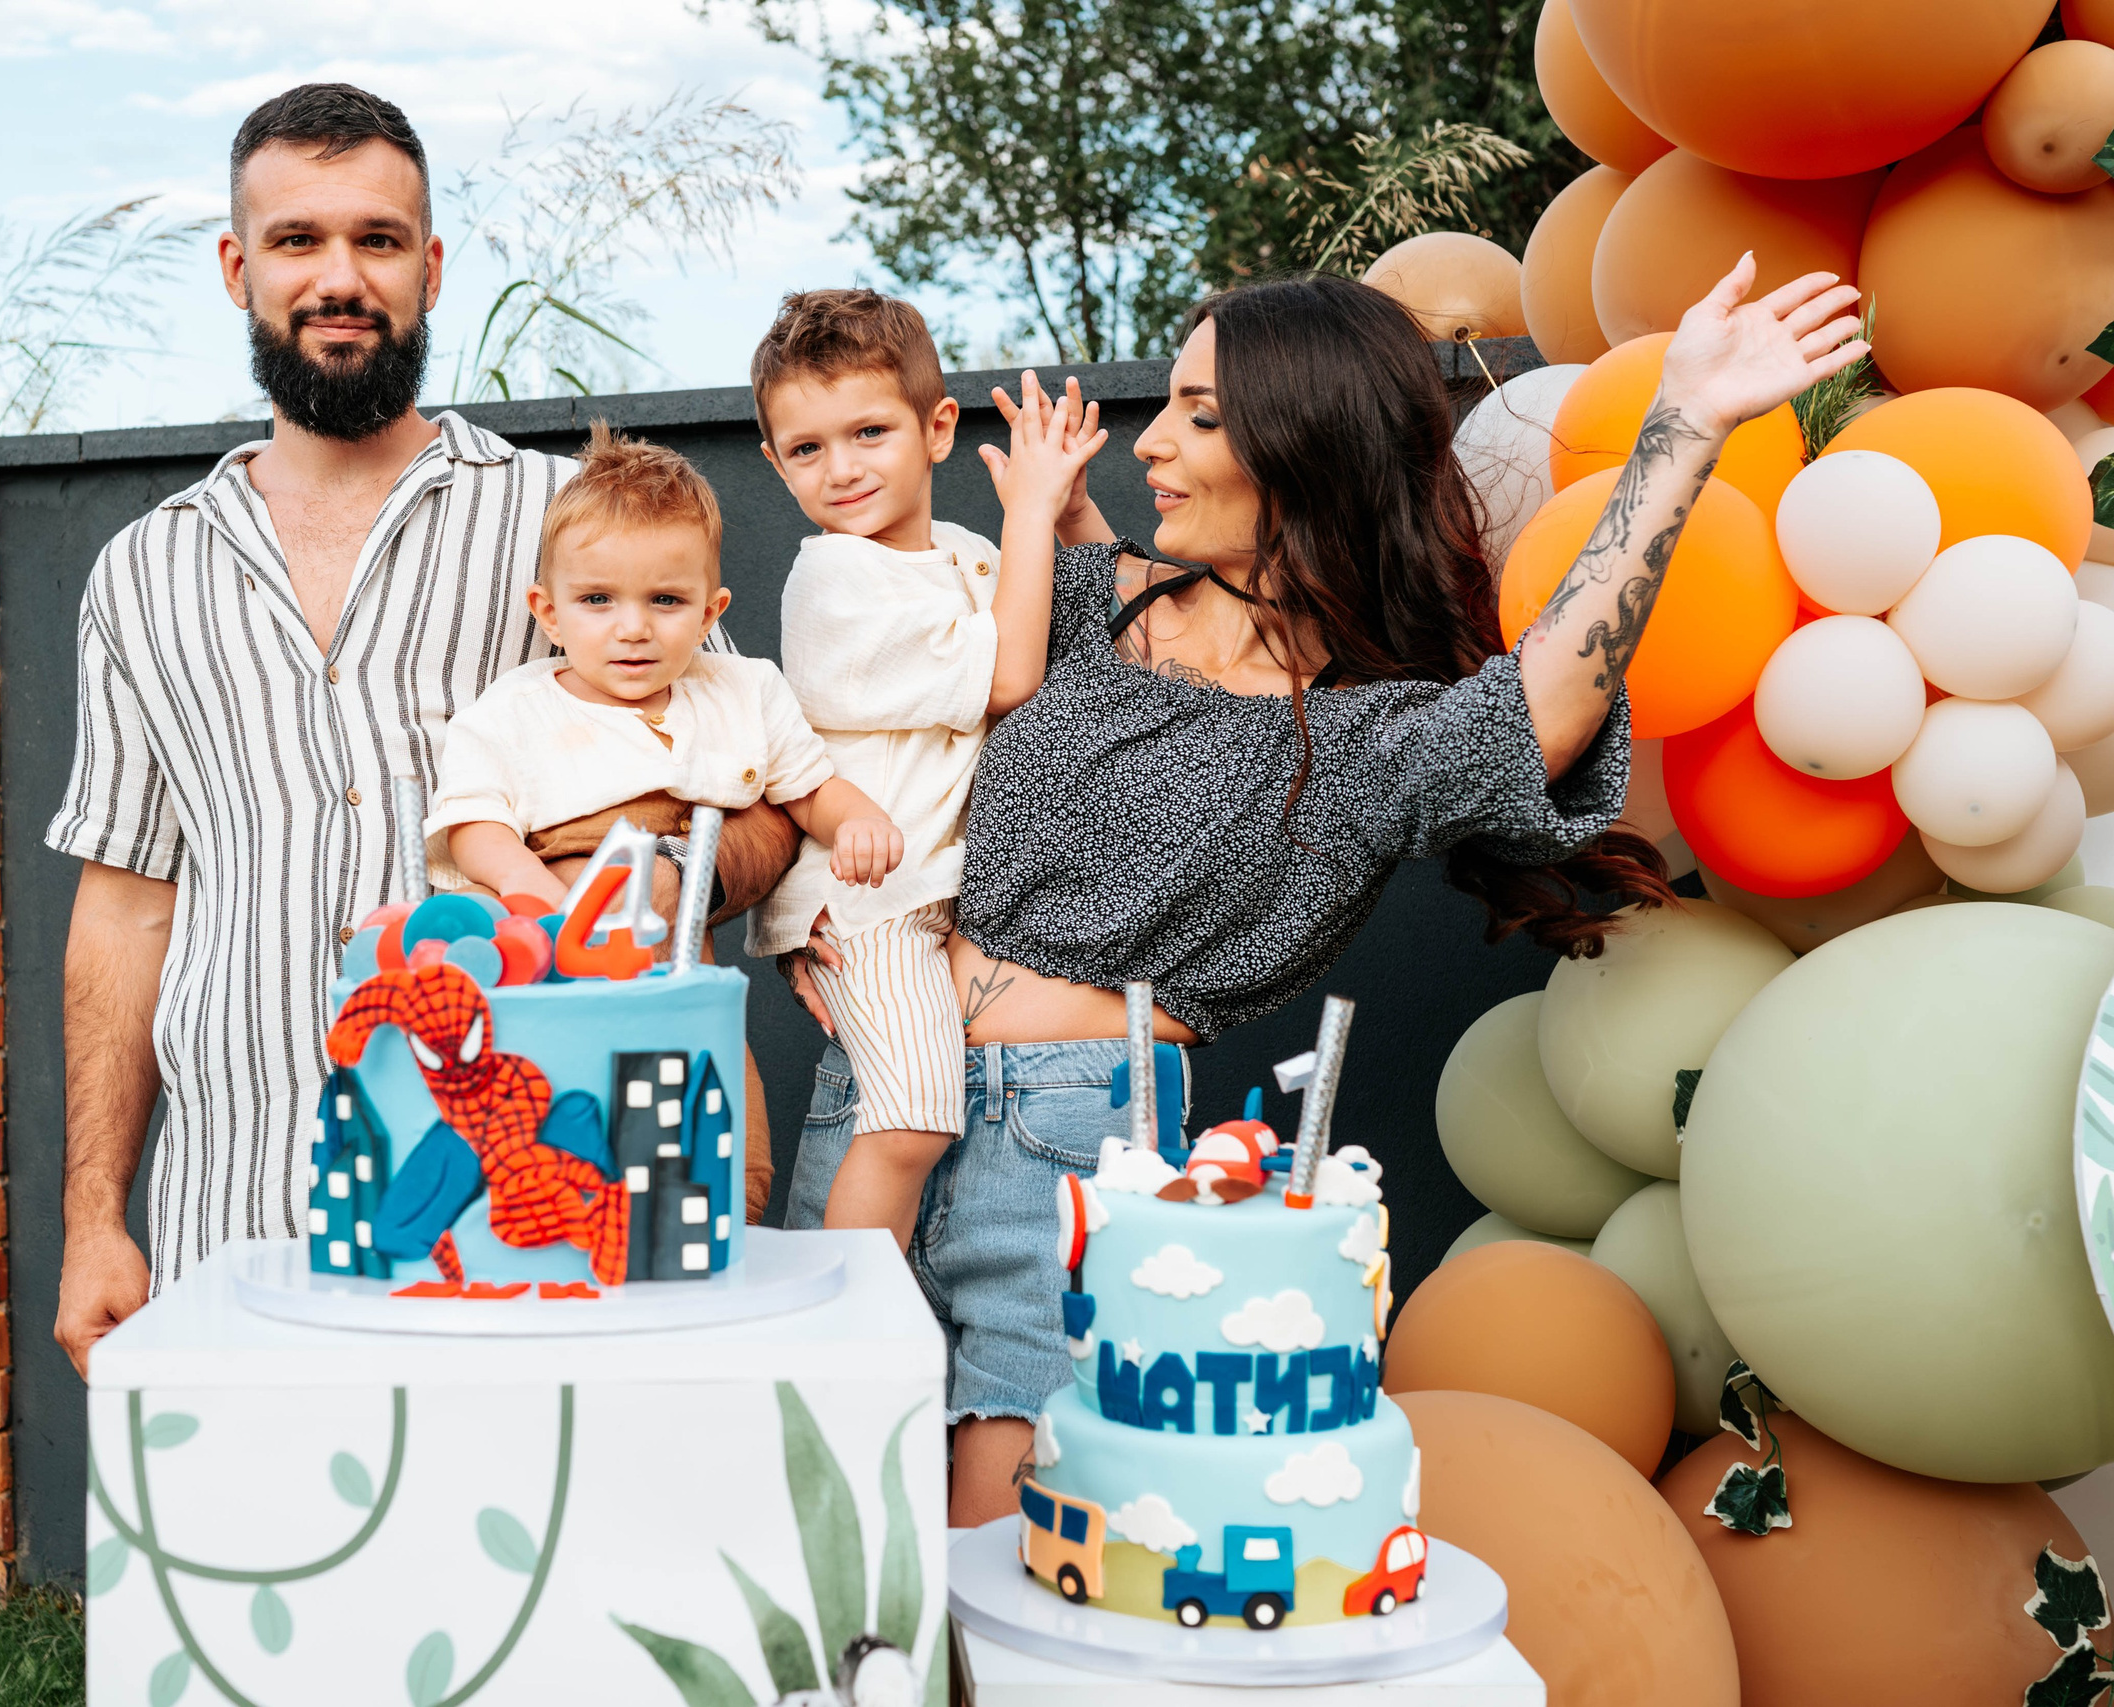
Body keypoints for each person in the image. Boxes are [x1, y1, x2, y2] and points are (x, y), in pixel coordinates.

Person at [784, 256, 1866, 1523]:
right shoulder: (1082, 604)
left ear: (1303, 450)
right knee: (814, 1504)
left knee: (990, 1561)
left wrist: (1681, 426)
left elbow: (1547, 708)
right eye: (1167, 404)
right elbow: (841, 738)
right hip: (877, 1082)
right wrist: (820, 913)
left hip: (1069, 1148)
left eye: (1199, 416)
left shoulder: (1362, 744)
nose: (1152, 443)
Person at [49, 84, 798, 1377]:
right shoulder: (142, 573)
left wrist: (627, 883)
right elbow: (124, 911)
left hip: (527, 1222)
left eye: (378, 240)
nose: (340, 277)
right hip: (235, 1217)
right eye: (297, 240)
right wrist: (91, 1218)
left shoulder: (580, 527)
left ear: (431, 267)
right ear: (237, 268)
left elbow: (765, 799)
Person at [747, 290, 1105, 1254]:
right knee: (913, 1117)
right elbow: (1011, 676)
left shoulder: (969, 555)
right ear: (776, 465)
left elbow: (1093, 634)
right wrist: (1030, 509)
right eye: (808, 448)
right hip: (872, 903)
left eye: (869, 431)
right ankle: (853, 1307)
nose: (843, 467)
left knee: (918, 1112)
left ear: (937, 428)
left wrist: (1065, 508)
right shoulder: (834, 579)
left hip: (940, 898)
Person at [434, 422, 905, 910]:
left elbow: (809, 792)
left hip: (666, 936)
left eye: (665, 600)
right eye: (598, 599)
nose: (633, 629)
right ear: (550, 614)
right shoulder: (513, 710)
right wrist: (521, 878)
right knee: (477, 908)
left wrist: (857, 819)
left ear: (707, 616)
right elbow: (472, 820)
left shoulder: (744, 691)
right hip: (543, 912)